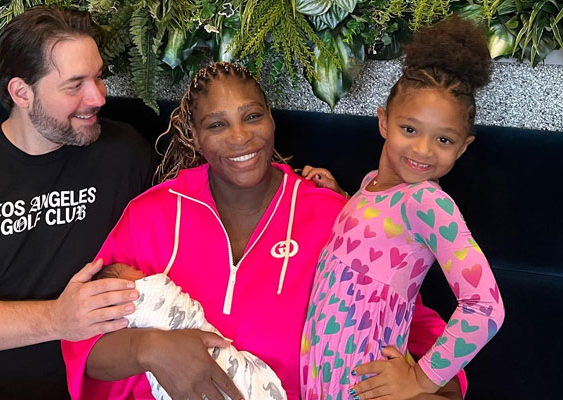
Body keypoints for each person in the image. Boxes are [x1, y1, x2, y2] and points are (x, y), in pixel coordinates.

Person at [61, 62, 466, 400]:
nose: (240, 137)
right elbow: (84, 344)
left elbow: (410, 325)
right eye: (217, 124)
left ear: (272, 119)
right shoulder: (151, 215)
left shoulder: (335, 218)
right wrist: (150, 348)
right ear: (195, 137)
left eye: (252, 116)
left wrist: (420, 385)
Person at [0, 6, 154, 399]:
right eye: (74, 85)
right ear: (21, 92)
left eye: (98, 77)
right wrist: (56, 318)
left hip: (95, 386)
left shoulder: (125, 152)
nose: (98, 97)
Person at [300, 16, 505, 400]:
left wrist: (419, 380)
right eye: (409, 129)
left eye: (443, 140)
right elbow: (379, 241)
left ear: (463, 147)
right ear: (384, 121)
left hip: (364, 385)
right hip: (320, 379)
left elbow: (485, 307)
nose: (423, 150)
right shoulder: (370, 186)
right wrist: (342, 195)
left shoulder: (428, 203)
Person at [94, 263, 287, 400]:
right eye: (135, 272)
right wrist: (150, 348)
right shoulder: (139, 227)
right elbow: (88, 346)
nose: (143, 273)